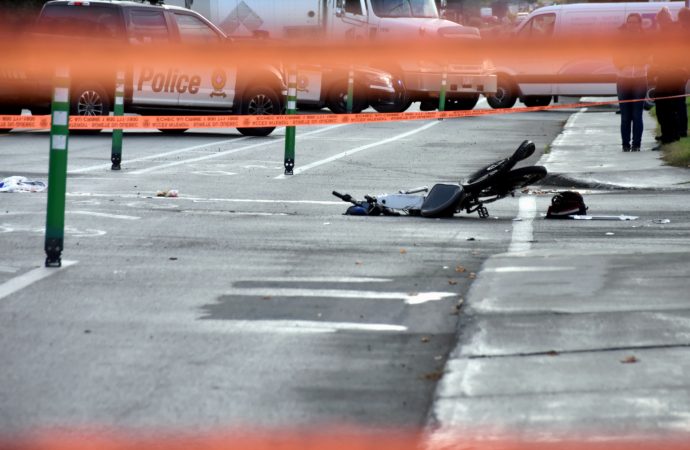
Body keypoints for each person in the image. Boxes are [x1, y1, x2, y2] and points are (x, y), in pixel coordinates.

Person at [649, 7, 686, 148]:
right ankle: (672, 135)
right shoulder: (675, 31)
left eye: (661, 20)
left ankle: (669, 137)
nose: (660, 23)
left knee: (665, 108)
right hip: (671, 73)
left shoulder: (670, 33)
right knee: (669, 106)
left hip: (671, 74)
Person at [614, 13, 648, 152]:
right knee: (625, 115)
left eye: (635, 22)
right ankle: (625, 144)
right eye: (630, 22)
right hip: (623, 79)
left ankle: (636, 144)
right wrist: (622, 65)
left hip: (640, 79)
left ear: (639, 24)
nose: (632, 25)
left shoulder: (645, 38)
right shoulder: (620, 39)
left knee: (637, 114)